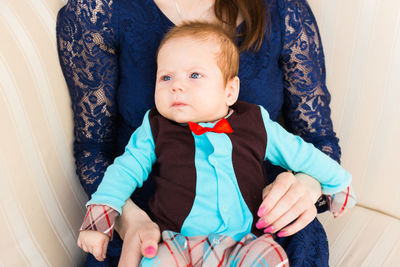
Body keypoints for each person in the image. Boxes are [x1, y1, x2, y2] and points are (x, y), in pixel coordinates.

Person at [56, 0, 347, 266]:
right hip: (154, 226)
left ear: (232, 89)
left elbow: (316, 144)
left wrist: (313, 186)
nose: (177, 86)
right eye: (166, 77)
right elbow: (95, 150)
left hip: (262, 225)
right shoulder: (97, 12)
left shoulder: (284, 10)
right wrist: (122, 219)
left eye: (194, 76)